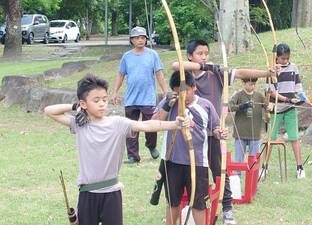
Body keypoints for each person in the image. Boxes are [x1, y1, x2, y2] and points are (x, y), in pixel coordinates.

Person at [44, 74, 189, 225]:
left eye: (104, 100)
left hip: (111, 193)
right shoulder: (80, 124)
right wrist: (75, 107)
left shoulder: (118, 123)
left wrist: (175, 124)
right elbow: (49, 111)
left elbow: (147, 125)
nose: (102, 104)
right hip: (88, 193)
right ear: (84, 103)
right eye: (96, 100)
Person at [171, 39, 275, 224]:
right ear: (190, 56)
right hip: (189, 136)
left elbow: (242, 72)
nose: (204, 56)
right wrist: (206, 66)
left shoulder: (217, 74)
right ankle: (187, 207)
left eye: (206, 53)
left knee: (220, 171)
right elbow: (175, 64)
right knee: (187, 172)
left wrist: (267, 72)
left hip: (213, 133)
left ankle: (227, 208)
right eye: (199, 53)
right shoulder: (186, 76)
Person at [153, 70, 227, 225]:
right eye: (178, 92)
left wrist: (220, 133)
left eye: (185, 90)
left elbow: (215, 129)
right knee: (173, 202)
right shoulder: (170, 103)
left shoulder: (205, 105)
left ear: (194, 87)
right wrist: (167, 104)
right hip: (173, 161)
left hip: (197, 163)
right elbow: (155, 122)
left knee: (199, 202)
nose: (183, 96)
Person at [112, 26, 169, 164]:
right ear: (132, 40)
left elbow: (159, 75)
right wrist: (114, 92)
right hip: (131, 99)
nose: (140, 40)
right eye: (137, 38)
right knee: (131, 127)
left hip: (148, 98)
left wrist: (166, 91)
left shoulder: (152, 55)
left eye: (143, 38)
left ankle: (151, 145)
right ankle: (133, 156)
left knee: (151, 124)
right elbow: (120, 75)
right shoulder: (127, 57)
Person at [264, 43, 310, 179]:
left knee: (294, 137)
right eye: (282, 58)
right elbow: (270, 92)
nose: (285, 61)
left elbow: (298, 87)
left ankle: (300, 167)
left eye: (287, 58)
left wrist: (305, 99)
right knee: (271, 138)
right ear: (276, 57)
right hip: (276, 109)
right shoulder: (271, 70)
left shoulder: (293, 67)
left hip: (290, 108)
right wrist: (288, 100)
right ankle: (264, 167)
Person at [228, 78, 265, 168]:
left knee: (254, 161)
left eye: (254, 84)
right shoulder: (239, 95)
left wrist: (270, 107)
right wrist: (243, 106)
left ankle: (253, 177)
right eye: (250, 84)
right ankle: (237, 177)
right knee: (238, 160)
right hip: (241, 133)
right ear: (243, 83)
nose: (252, 86)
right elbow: (229, 107)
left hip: (255, 134)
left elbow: (267, 106)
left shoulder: (259, 96)